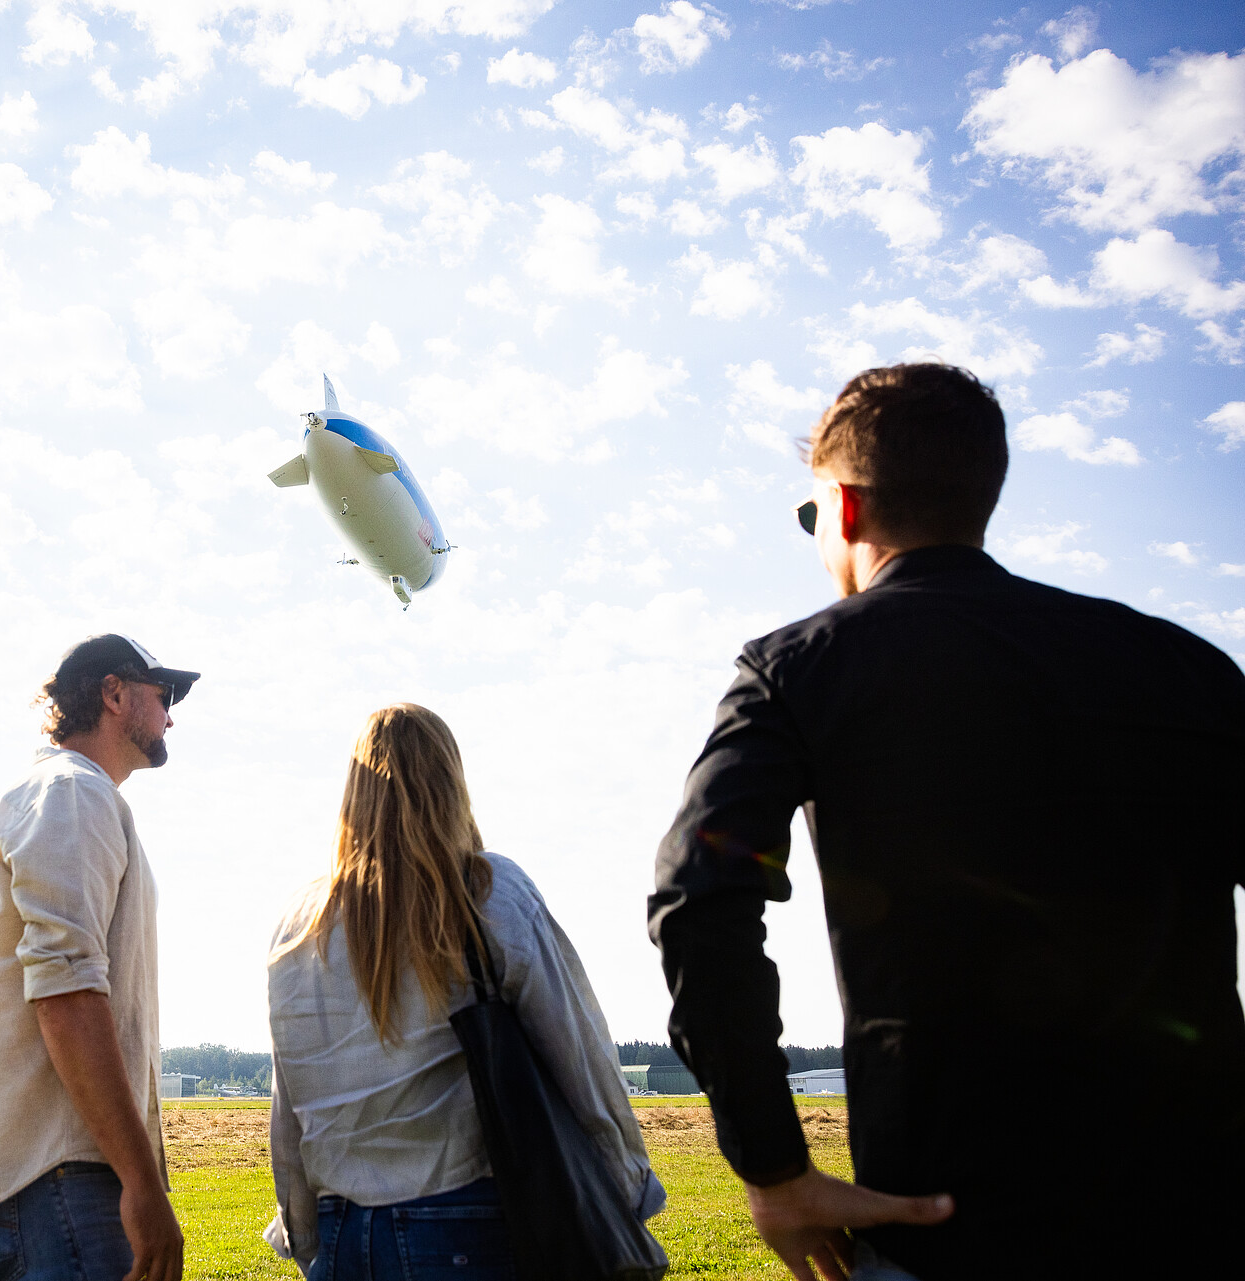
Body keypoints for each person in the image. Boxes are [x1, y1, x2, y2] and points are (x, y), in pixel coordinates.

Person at [649, 363, 1245, 1281]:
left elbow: (698, 896)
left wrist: (774, 1165)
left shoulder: (798, 671)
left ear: (843, 510)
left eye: (812, 518)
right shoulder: (1189, 669)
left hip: (947, 1229)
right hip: (1193, 1222)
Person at [269, 704, 662, 1280]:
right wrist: (628, 1190)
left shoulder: (299, 928)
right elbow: (583, 1057)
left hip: (345, 1232)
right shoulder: (488, 894)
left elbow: (291, 1106)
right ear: (451, 783)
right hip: (469, 1222)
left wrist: (304, 1235)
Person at [0, 634, 198, 1281]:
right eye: (163, 693)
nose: (171, 714)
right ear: (115, 693)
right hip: (59, 1178)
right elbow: (66, 992)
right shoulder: (70, 792)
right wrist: (141, 1182)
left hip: (51, 1180)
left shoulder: (65, 796)